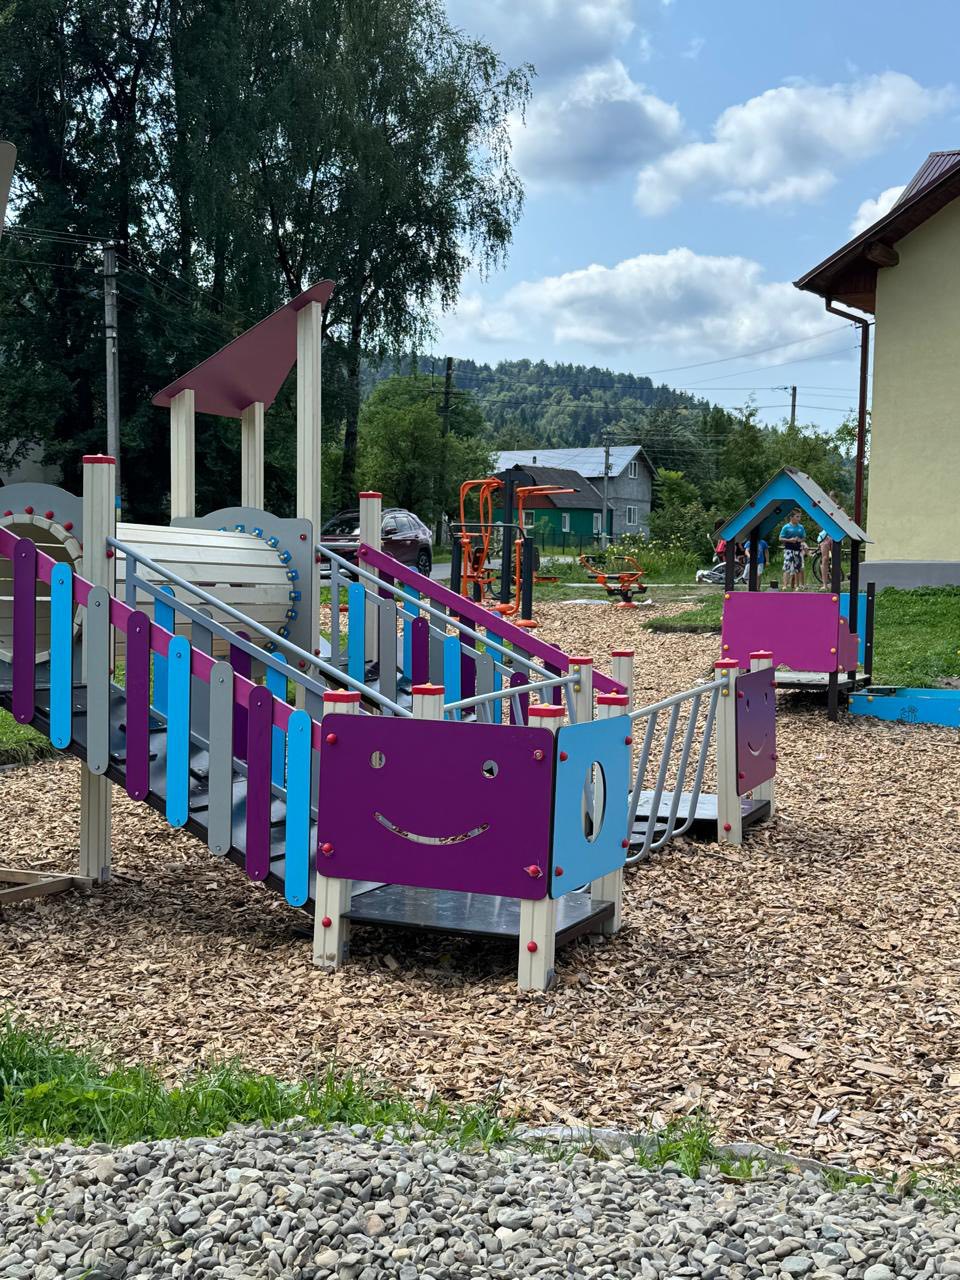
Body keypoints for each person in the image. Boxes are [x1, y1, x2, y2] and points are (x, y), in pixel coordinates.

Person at [779, 507, 807, 590]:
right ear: (791, 517)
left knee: (797, 567)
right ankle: (785, 585)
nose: (799, 518)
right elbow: (780, 538)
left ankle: (797, 586)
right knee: (787, 567)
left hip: (798, 549)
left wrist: (800, 540)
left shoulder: (801, 527)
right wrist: (789, 540)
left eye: (800, 516)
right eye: (797, 516)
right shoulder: (786, 527)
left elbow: (804, 538)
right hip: (788, 549)